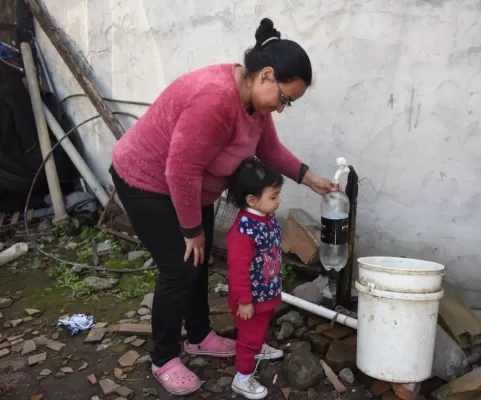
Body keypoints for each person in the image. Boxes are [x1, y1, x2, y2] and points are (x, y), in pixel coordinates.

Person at [109, 18, 337, 396]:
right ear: (266, 75)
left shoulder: (255, 105)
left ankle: (198, 336)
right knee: (180, 268)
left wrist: (309, 178)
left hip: (190, 188)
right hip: (145, 180)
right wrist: (191, 230)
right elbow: (181, 170)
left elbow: (269, 149)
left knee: (199, 261)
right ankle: (163, 357)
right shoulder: (214, 98)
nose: (282, 109)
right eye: (285, 99)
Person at [225, 158, 286, 399]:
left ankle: (258, 348)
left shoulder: (265, 217)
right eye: (273, 196)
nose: (278, 200)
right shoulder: (243, 231)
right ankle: (242, 377)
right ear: (252, 200)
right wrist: (244, 300)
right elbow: (238, 269)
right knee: (248, 337)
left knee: (260, 328)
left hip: (266, 291)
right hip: (250, 298)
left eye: (278, 194)